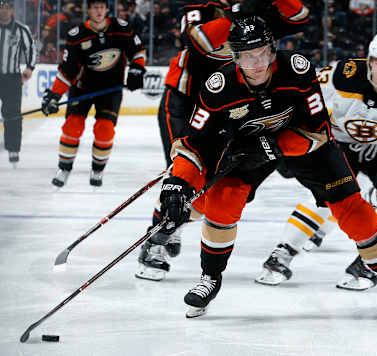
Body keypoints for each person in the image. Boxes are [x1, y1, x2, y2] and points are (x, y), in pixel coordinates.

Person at [156, 17, 377, 318]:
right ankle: (209, 278)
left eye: (263, 52)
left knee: (355, 212)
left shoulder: (297, 69)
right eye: (249, 55)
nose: (258, 62)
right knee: (221, 204)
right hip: (245, 151)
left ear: (273, 49)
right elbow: (196, 144)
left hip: (307, 147)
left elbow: (316, 128)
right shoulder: (218, 88)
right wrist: (177, 183)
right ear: (235, 56)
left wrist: (274, 145)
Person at [256, 30, 377, 295]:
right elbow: (300, 93)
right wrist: (285, 134)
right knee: (326, 196)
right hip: (342, 145)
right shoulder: (342, 75)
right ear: (370, 60)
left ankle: (371, 261)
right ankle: (283, 251)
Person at [135, 0, 311, 281]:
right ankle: (156, 242)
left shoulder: (262, 13)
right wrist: (236, 14)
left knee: (216, 188)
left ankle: (174, 224)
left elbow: (300, 16)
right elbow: (199, 41)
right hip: (187, 100)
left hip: (230, 109)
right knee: (184, 175)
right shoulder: (202, 5)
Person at [41, 0, 146, 187]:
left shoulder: (121, 29)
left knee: (104, 130)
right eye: (95, 7)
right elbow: (67, 71)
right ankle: (64, 168)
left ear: (106, 9)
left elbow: (138, 52)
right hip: (82, 88)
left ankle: (97, 170)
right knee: (72, 126)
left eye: (102, 7)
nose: (98, 11)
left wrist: (137, 70)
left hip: (110, 90)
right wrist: (54, 95)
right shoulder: (77, 35)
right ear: (88, 10)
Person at [0, 0, 36, 166]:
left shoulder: (21, 30)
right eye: (1, 8)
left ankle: (13, 148)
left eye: (6, 8)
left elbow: (31, 49)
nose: (3, 11)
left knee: (12, 113)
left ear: (12, 10)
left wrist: (29, 67)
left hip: (12, 77)